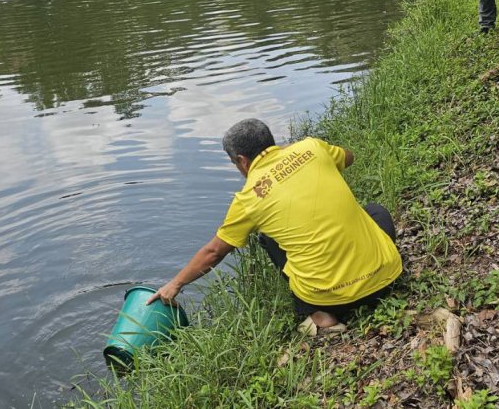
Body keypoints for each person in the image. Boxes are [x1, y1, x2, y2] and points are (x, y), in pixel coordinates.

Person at [148, 119, 402, 335]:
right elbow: (349, 156)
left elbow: (214, 252)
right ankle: (372, 273)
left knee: (268, 239)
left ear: (241, 161)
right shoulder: (312, 147)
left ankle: (321, 316)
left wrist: (175, 284)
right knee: (375, 211)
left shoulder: (248, 199)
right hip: (387, 279)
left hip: (331, 299)